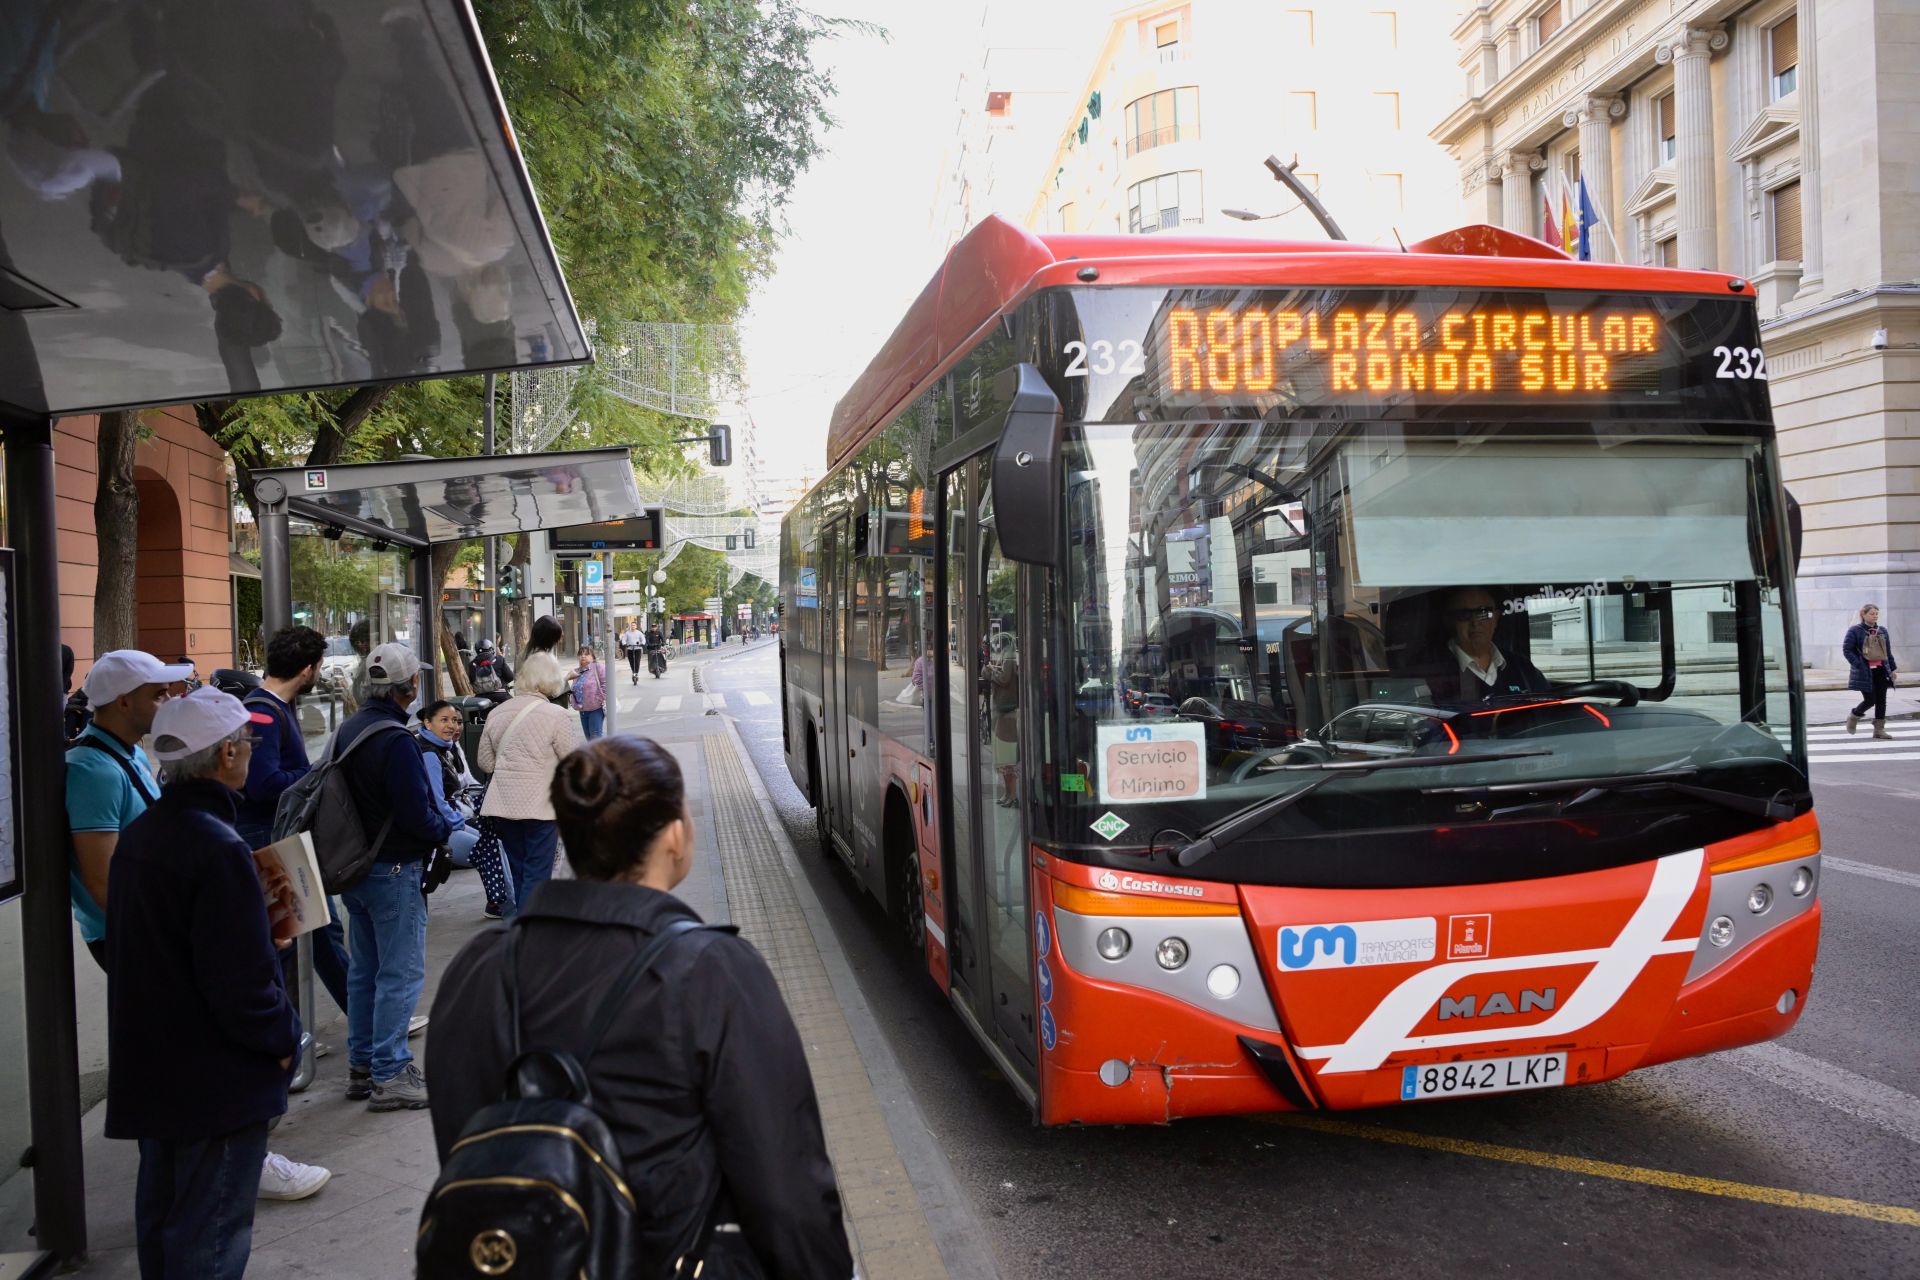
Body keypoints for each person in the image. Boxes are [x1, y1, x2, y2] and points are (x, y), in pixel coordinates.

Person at [426, 737, 854, 1278]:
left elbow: (463, 1142)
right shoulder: (713, 972)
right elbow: (785, 1185)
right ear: (675, 835)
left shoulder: (478, 968)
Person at [104, 687, 306, 1278]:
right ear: (226, 757)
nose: (249, 751)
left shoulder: (145, 834)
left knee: (166, 1223)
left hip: (159, 1067)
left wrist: (252, 937)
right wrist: (283, 1039)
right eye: (246, 742)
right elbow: (241, 989)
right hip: (212, 1078)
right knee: (209, 1237)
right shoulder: (217, 847)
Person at [334, 643, 451, 1110]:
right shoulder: (397, 740)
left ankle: (361, 1065)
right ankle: (390, 1071)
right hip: (395, 871)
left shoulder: (350, 729)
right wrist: (444, 829)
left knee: (364, 972)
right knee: (400, 974)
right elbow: (416, 815)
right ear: (410, 687)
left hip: (357, 869)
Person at [237, 627, 355, 1081]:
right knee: (292, 941)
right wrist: (310, 776)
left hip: (277, 838)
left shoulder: (266, 708)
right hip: (272, 841)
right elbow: (262, 782)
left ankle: (311, 1035)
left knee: (318, 932)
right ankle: (287, 1048)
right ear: (309, 670)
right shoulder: (264, 713)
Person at [65, 650, 189, 971]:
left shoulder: (128, 749)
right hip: (132, 934)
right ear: (123, 703)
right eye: (159, 695)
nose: (169, 701)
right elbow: (104, 883)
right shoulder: (92, 771)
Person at [475, 651, 582, 918]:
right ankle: (527, 935)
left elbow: (485, 763)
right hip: (541, 808)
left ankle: (520, 929)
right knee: (537, 872)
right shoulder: (556, 715)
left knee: (519, 869)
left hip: (503, 807)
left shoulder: (497, 713)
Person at [1421, 585, 1549, 704]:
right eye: (1464, 615)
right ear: (1449, 621)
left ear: (1496, 619)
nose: (1475, 623)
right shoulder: (1428, 673)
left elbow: (1547, 714)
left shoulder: (1523, 669)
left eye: (1484, 613)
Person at [415, 700, 482, 868]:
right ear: (428, 723)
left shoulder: (444, 747)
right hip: (439, 827)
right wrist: (459, 822)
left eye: (455, 720)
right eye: (444, 720)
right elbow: (438, 803)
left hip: (446, 821)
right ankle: (509, 895)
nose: (451, 725)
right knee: (492, 852)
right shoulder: (430, 754)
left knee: (498, 847)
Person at [1843, 603, 1898, 739]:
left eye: (1876, 614)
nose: (1875, 616)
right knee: (1870, 699)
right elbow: (1847, 649)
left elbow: (1888, 652)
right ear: (1864, 615)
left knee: (1881, 701)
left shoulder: (1882, 630)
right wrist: (1858, 664)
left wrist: (1892, 669)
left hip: (1881, 670)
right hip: (1865, 671)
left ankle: (1879, 730)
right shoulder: (1855, 630)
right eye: (1872, 614)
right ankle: (1854, 716)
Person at [570, 644, 609, 739]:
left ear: (593, 657)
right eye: (581, 654)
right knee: (589, 738)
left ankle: (599, 754)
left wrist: (599, 699)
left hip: (596, 708)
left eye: (586, 654)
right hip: (582, 709)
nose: (583, 656)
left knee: (595, 738)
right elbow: (574, 688)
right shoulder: (577, 671)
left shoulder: (598, 667)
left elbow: (606, 684)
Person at [620, 620, 645, 685]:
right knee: (631, 661)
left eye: (634, 625)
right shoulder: (627, 633)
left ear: (636, 626)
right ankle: (633, 671)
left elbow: (643, 639)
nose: (632, 626)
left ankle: (636, 672)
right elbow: (624, 639)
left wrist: (642, 643)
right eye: (632, 625)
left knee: (637, 661)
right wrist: (625, 644)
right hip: (630, 648)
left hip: (637, 648)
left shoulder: (639, 633)